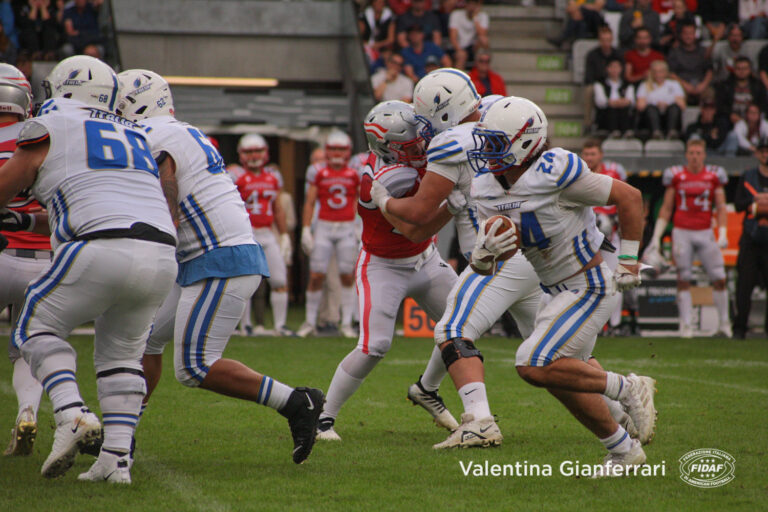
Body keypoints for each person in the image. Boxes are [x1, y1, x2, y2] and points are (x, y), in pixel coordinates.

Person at [370, 74, 647, 453]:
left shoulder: (555, 168)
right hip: (548, 281)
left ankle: (622, 392)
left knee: (505, 349)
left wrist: (629, 261)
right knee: (554, 370)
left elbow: (629, 198)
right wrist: (485, 255)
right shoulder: (487, 180)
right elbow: (503, 240)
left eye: (495, 143)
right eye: (487, 140)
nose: (485, 149)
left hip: (587, 281)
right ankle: (623, 440)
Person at [116, 69, 324, 466]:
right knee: (143, 342)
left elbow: (167, 182)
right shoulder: (179, 130)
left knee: (194, 366)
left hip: (217, 255)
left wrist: (163, 232)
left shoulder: (155, 135)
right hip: (203, 256)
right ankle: (120, 435)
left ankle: (297, 402)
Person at [0, 55, 178, 483]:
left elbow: (8, 184)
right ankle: (117, 462)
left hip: (99, 245)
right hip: (159, 254)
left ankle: (72, 412)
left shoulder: (54, 123)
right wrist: (26, 221)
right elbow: (101, 194)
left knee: (33, 329)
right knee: (121, 356)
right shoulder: (133, 130)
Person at [315, 101, 460, 441]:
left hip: (426, 259)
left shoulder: (416, 157)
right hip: (384, 266)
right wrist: (452, 206)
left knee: (463, 323)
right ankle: (323, 416)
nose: (421, 146)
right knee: (374, 345)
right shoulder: (381, 180)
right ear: (387, 147)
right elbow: (415, 229)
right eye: (411, 144)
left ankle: (428, 388)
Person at [0, 65, 50, 457]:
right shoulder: (47, 139)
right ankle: (28, 410)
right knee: (26, 348)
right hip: (46, 262)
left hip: (1, 256)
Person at [647, 139, 731, 337]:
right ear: (686, 154)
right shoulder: (677, 175)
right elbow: (667, 207)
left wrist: (724, 232)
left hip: (705, 231)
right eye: (691, 152)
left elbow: (721, 206)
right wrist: (657, 237)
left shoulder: (713, 176)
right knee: (683, 278)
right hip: (682, 231)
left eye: (698, 153)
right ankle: (686, 325)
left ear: (704, 155)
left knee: (719, 278)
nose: (694, 156)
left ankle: (725, 323)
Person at [298, 131, 360, 338]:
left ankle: (346, 323)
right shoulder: (318, 172)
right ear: (326, 150)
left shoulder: (354, 173)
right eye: (333, 148)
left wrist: (360, 227)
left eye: (341, 149)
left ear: (348, 151)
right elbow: (309, 201)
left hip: (346, 227)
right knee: (316, 274)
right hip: (324, 226)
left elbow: (359, 203)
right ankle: (309, 322)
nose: (336, 153)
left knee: (346, 275)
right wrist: (306, 228)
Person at [233, 133, 294, 336]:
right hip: (246, 233)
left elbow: (277, 208)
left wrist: (284, 235)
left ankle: (280, 325)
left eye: (257, 151)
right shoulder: (235, 176)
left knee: (279, 280)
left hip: (267, 233)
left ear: (265, 152)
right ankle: (246, 325)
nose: (253, 155)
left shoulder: (273, 176)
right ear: (241, 154)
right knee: (245, 281)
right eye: (249, 152)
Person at [581, 140, 630, 335]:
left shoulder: (614, 172)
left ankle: (614, 324)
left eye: (593, 154)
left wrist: (614, 219)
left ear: (601, 155)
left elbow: (625, 199)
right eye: (586, 154)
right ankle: (594, 325)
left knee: (615, 279)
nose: (589, 158)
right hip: (585, 236)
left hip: (610, 236)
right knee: (586, 282)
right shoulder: (578, 174)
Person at [732, 138, 768, 339]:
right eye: (762, 151)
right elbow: (738, 204)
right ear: (757, 154)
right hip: (751, 237)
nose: (765, 154)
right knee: (744, 286)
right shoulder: (748, 176)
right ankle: (739, 328)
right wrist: (755, 201)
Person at [636, 59, 686, 139]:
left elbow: (682, 105)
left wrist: (666, 104)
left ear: (666, 72)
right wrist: (656, 104)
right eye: (655, 72)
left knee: (674, 108)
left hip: (668, 115)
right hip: (651, 118)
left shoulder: (674, 84)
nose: (658, 74)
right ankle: (656, 133)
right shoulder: (645, 85)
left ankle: (672, 132)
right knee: (651, 109)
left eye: (661, 71)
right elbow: (640, 106)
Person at [667, 21, 713, 106]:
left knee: (710, 95)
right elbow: (671, 73)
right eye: (686, 34)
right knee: (675, 95)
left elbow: (710, 71)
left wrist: (703, 85)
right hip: (682, 85)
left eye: (691, 33)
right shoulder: (675, 52)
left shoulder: (703, 51)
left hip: (701, 84)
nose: (688, 36)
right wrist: (685, 85)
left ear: (695, 34)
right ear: (681, 35)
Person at [716, 56, 767, 127]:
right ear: (734, 70)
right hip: (731, 120)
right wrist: (730, 114)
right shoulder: (725, 86)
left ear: (750, 70)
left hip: (753, 119)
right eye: (738, 69)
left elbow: (763, 104)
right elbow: (720, 105)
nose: (742, 71)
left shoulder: (758, 85)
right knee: (722, 121)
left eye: (744, 68)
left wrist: (755, 115)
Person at [593, 58, 635, 138]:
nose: (614, 70)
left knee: (624, 109)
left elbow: (631, 101)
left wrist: (617, 102)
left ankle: (626, 131)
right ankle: (613, 131)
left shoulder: (627, 84)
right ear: (607, 69)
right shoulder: (600, 84)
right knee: (612, 109)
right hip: (606, 114)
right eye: (612, 67)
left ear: (621, 69)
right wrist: (615, 102)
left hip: (623, 112)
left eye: (617, 67)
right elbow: (601, 101)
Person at [448, 0, 489, 70]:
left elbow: (482, 35)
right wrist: (459, 50)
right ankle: (459, 79)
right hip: (458, 47)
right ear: (466, 4)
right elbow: (453, 37)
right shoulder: (456, 14)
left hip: (473, 48)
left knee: (484, 40)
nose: (472, 7)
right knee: (462, 55)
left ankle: (481, 71)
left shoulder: (483, 16)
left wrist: (475, 18)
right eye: (470, 3)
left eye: (474, 4)